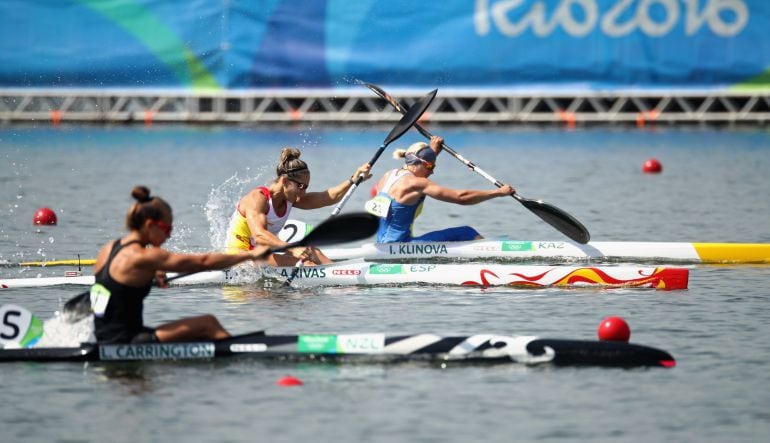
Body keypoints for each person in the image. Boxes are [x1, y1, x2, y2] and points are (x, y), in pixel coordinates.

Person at [91, 186, 270, 344]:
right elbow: (203, 262)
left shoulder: (109, 249)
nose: (168, 236)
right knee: (208, 323)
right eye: (167, 229)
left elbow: (118, 283)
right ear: (150, 225)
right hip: (126, 341)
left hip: (104, 337)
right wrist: (250, 254)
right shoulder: (145, 257)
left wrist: (152, 271)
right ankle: (239, 360)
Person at [225, 147, 371, 266]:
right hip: (241, 256)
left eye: (306, 187)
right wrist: (292, 249)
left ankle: (342, 277)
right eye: (300, 186)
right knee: (306, 262)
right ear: (284, 180)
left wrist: (353, 180)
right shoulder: (257, 198)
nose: (304, 191)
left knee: (313, 252)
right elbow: (259, 235)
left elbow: (329, 197)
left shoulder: (291, 198)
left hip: (263, 252)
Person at [366, 136, 514, 243]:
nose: (432, 172)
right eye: (431, 167)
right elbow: (461, 197)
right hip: (401, 248)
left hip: (382, 246)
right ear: (422, 163)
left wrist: (432, 151)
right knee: (466, 232)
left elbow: (420, 165)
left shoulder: (388, 176)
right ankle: (491, 263)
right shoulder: (417, 184)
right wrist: (498, 193)